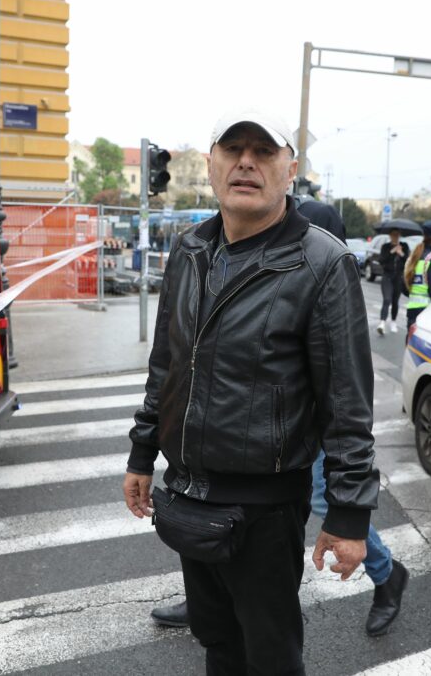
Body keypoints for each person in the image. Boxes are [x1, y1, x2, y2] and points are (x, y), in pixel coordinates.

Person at [124, 108, 379, 675]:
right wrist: (143, 453)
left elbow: (346, 404)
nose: (246, 162)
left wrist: (349, 515)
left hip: (265, 511)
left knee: (270, 657)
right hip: (188, 494)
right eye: (232, 150)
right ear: (210, 165)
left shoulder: (322, 263)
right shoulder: (190, 250)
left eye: (263, 152)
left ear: (290, 170)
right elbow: (166, 363)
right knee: (217, 641)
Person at [150, 201, 409, 639]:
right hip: (244, 434)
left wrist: (350, 519)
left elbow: (343, 391)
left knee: (327, 502)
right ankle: (207, 598)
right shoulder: (210, 244)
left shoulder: (321, 255)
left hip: (296, 426)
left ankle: (387, 574)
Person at [376, 229, 408, 335]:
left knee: (395, 301)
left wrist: (401, 253)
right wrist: (392, 251)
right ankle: (382, 323)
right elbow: (381, 260)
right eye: (393, 235)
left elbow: (408, 261)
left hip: (398, 278)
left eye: (397, 235)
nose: (395, 237)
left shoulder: (404, 246)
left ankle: (393, 322)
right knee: (387, 299)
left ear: (399, 236)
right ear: (390, 236)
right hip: (387, 277)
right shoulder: (385, 247)